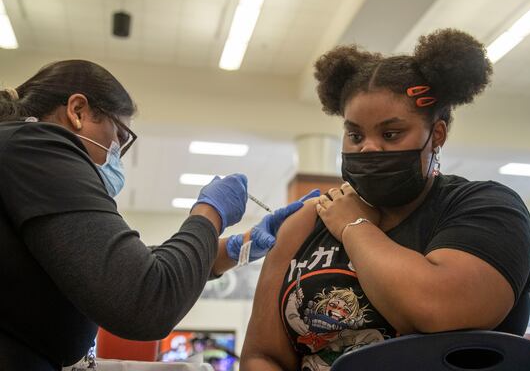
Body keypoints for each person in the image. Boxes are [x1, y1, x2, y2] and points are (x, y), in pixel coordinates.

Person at [241, 29, 530, 370]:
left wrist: (355, 226)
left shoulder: (486, 207)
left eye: (390, 134)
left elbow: (437, 309)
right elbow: (261, 356)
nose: (367, 148)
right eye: (355, 135)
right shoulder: (307, 222)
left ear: (436, 135)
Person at [0, 60, 318, 370]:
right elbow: (144, 299)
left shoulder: (20, 155)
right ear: (78, 111)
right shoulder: (36, 149)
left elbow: (117, 270)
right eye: (119, 139)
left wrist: (233, 249)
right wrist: (210, 212)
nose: (117, 158)